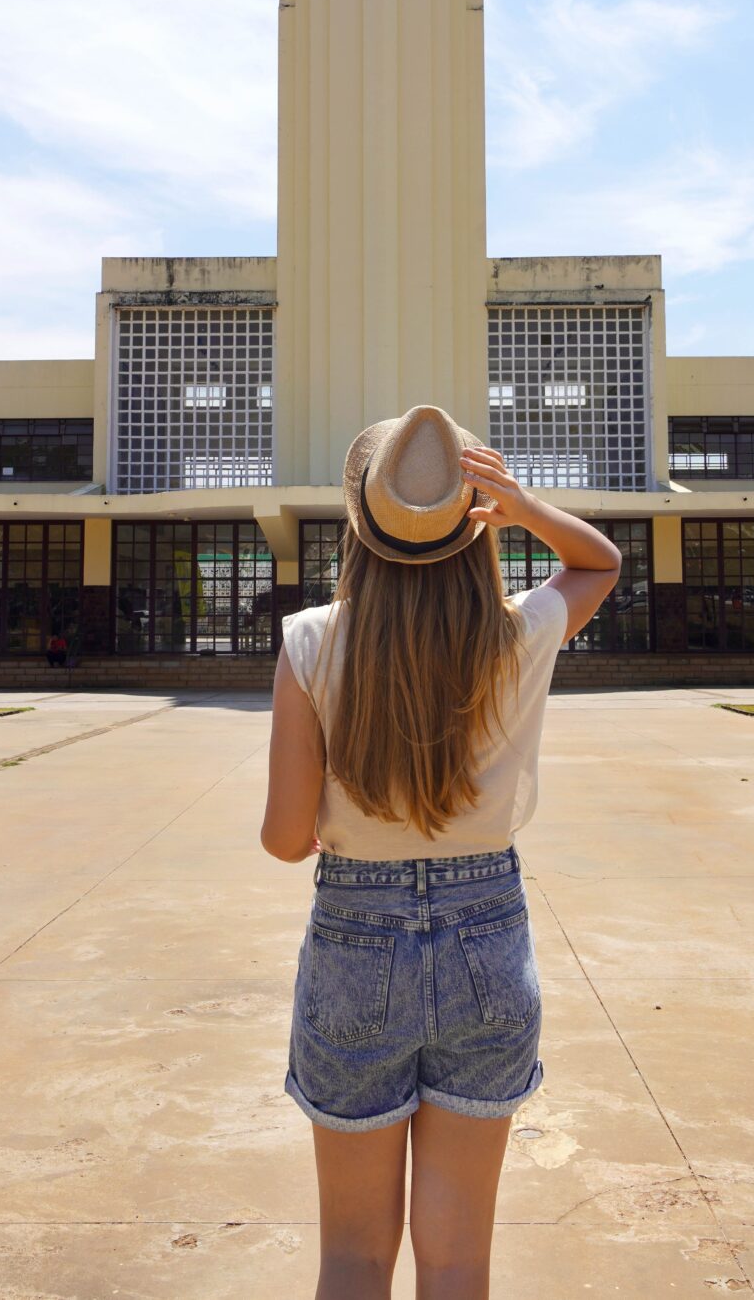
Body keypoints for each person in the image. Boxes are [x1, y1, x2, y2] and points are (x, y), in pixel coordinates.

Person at [260, 404, 620, 1299]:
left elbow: (283, 839)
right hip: (487, 942)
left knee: (351, 1257)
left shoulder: (310, 640)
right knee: (459, 1260)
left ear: (359, 527)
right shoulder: (518, 633)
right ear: (473, 521)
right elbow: (600, 563)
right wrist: (525, 506)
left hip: (354, 939)